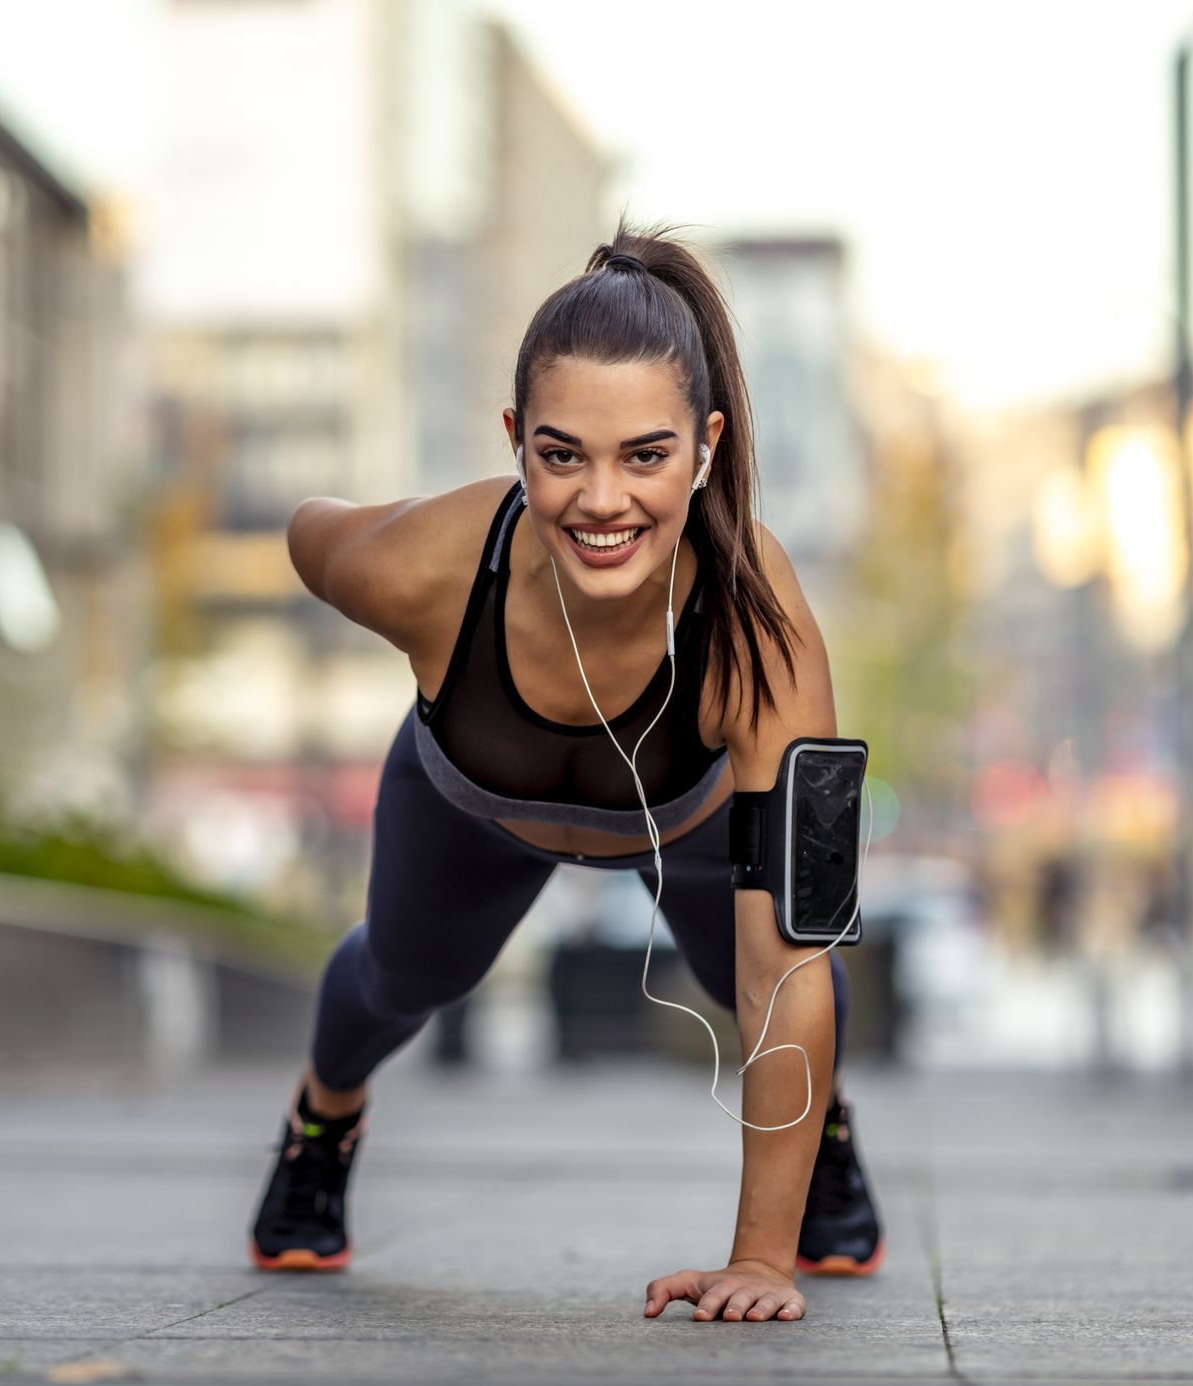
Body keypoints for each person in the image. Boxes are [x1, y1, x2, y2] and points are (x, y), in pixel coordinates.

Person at [248, 224, 882, 1323]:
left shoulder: (763, 624)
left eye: (645, 455)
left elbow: (792, 959)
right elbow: (311, 533)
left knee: (764, 982)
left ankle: (815, 1139)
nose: (602, 501)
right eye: (561, 455)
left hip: (682, 821)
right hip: (472, 809)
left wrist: (760, 1260)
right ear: (515, 442)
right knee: (406, 977)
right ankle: (321, 1120)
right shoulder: (422, 569)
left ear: (706, 446)